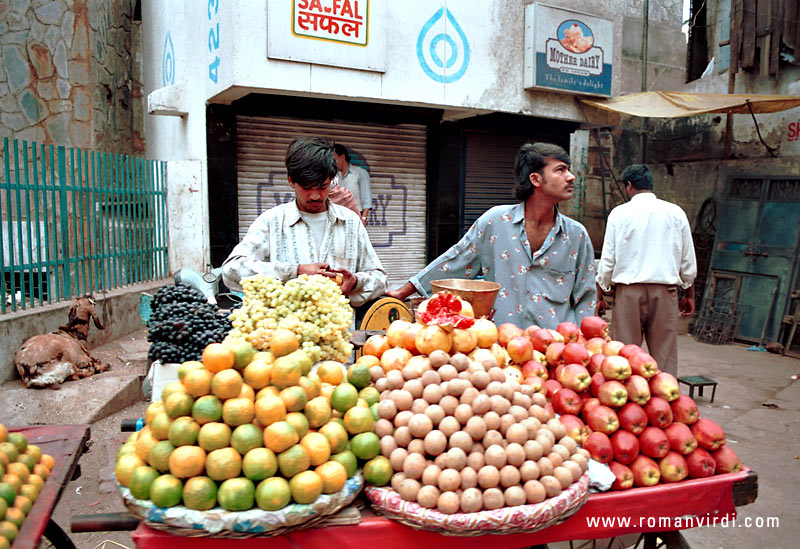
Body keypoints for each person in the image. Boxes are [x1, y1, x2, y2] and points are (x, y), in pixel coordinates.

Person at [385, 142, 596, 329]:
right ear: (535, 179)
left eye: (568, 170)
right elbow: (456, 260)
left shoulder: (576, 236)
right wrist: (403, 292)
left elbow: (586, 297)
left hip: (555, 352)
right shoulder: (495, 222)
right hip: (499, 349)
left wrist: (580, 346)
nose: (571, 177)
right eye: (560, 170)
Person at [222, 137, 387, 308]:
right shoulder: (271, 222)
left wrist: (354, 282)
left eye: (323, 187)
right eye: (307, 188)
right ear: (291, 181)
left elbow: (380, 280)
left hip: (338, 332)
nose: (315, 196)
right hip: (284, 332)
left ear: (332, 180)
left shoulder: (350, 222)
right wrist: (295, 271)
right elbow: (231, 272)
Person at [595, 164, 697, 376]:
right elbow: (687, 260)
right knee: (664, 357)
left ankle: (626, 403)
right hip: (665, 292)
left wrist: (600, 295)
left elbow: (607, 260)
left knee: (624, 357)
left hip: (629, 293)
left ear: (629, 186)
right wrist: (689, 294)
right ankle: (665, 402)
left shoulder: (619, 213)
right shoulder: (675, 213)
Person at [333, 144, 372, 224]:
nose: (333, 163)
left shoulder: (360, 173)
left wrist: (363, 219)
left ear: (342, 157)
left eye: (335, 160)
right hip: (338, 218)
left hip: (356, 218)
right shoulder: (334, 176)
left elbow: (367, 201)